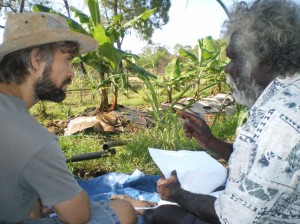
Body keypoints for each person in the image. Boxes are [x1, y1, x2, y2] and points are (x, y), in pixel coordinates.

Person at [138, 0, 300, 223]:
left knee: (164, 214)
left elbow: (236, 217)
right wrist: (211, 142)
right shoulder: (288, 93)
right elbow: (263, 162)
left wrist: (177, 194)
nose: (227, 69)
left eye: (234, 58)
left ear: (264, 60)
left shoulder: (278, 122)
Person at [0, 12, 137, 224]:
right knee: (123, 210)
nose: (72, 73)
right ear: (36, 59)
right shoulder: (35, 140)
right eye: (67, 60)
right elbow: (78, 216)